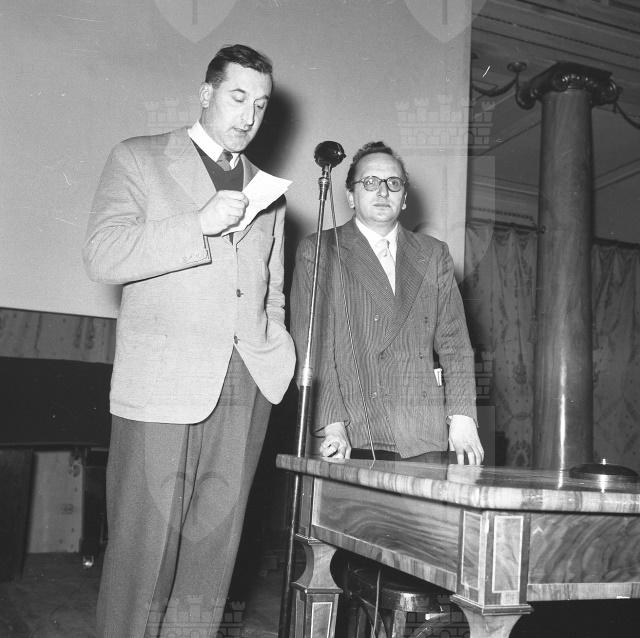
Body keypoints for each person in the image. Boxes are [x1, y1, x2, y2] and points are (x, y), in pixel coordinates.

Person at [83, 44, 295, 637]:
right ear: (206, 94)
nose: (249, 116)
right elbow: (102, 255)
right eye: (237, 97)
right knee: (142, 553)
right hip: (162, 382)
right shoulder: (139, 157)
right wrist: (196, 224)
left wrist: (272, 351)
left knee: (212, 558)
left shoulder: (269, 193)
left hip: (245, 384)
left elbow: (272, 292)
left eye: (260, 104)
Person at [290, 141, 483, 465]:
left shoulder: (433, 254)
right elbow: (315, 350)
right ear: (351, 196)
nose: (383, 191)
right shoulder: (320, 251)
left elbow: (455, 343)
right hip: (351, 432)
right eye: (370, 182)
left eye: (393, 183)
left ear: (404, 198)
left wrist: (463, 417)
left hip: (422, 434)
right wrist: (332, 426)